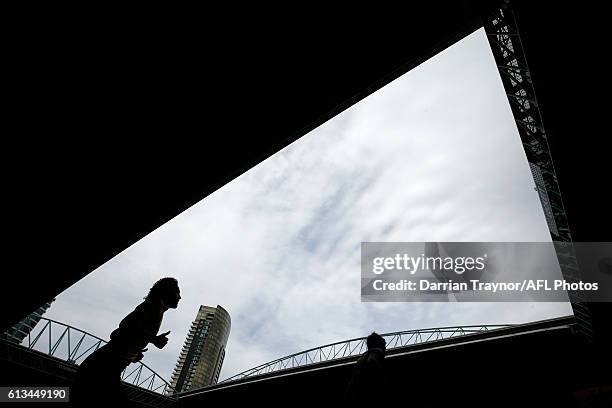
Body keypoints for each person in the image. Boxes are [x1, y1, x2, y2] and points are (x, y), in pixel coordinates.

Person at [71, 277, 181, 405]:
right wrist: (153, 339)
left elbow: (119, 334)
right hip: (103, 367)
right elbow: (126, 324)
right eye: (177, 292)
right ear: (167, 292)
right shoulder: (154, 305)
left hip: (101, 366)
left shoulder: (157, 308)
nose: (179, 297)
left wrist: (134, 352)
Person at [344, 332, 388, 407]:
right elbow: (372, 362)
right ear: (378, 343)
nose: (385, 347)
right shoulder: (376, 351)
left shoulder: (361, 359)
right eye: (384, 344)